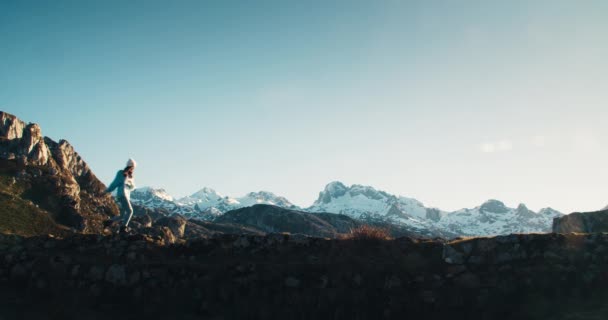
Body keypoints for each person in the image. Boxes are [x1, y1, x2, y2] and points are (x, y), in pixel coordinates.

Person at [105, 158, 137, 232]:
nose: (133, 169)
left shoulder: (131, 177)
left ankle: (107, 222)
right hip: (122, 195)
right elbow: (115, 183)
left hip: (124, 196)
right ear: (131, 167)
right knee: (130, 211)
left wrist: (130, 184)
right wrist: (107, 190)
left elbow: (132, 187)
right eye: (133, 167)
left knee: (122, 215)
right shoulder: (121, 173)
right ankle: (123, 228)